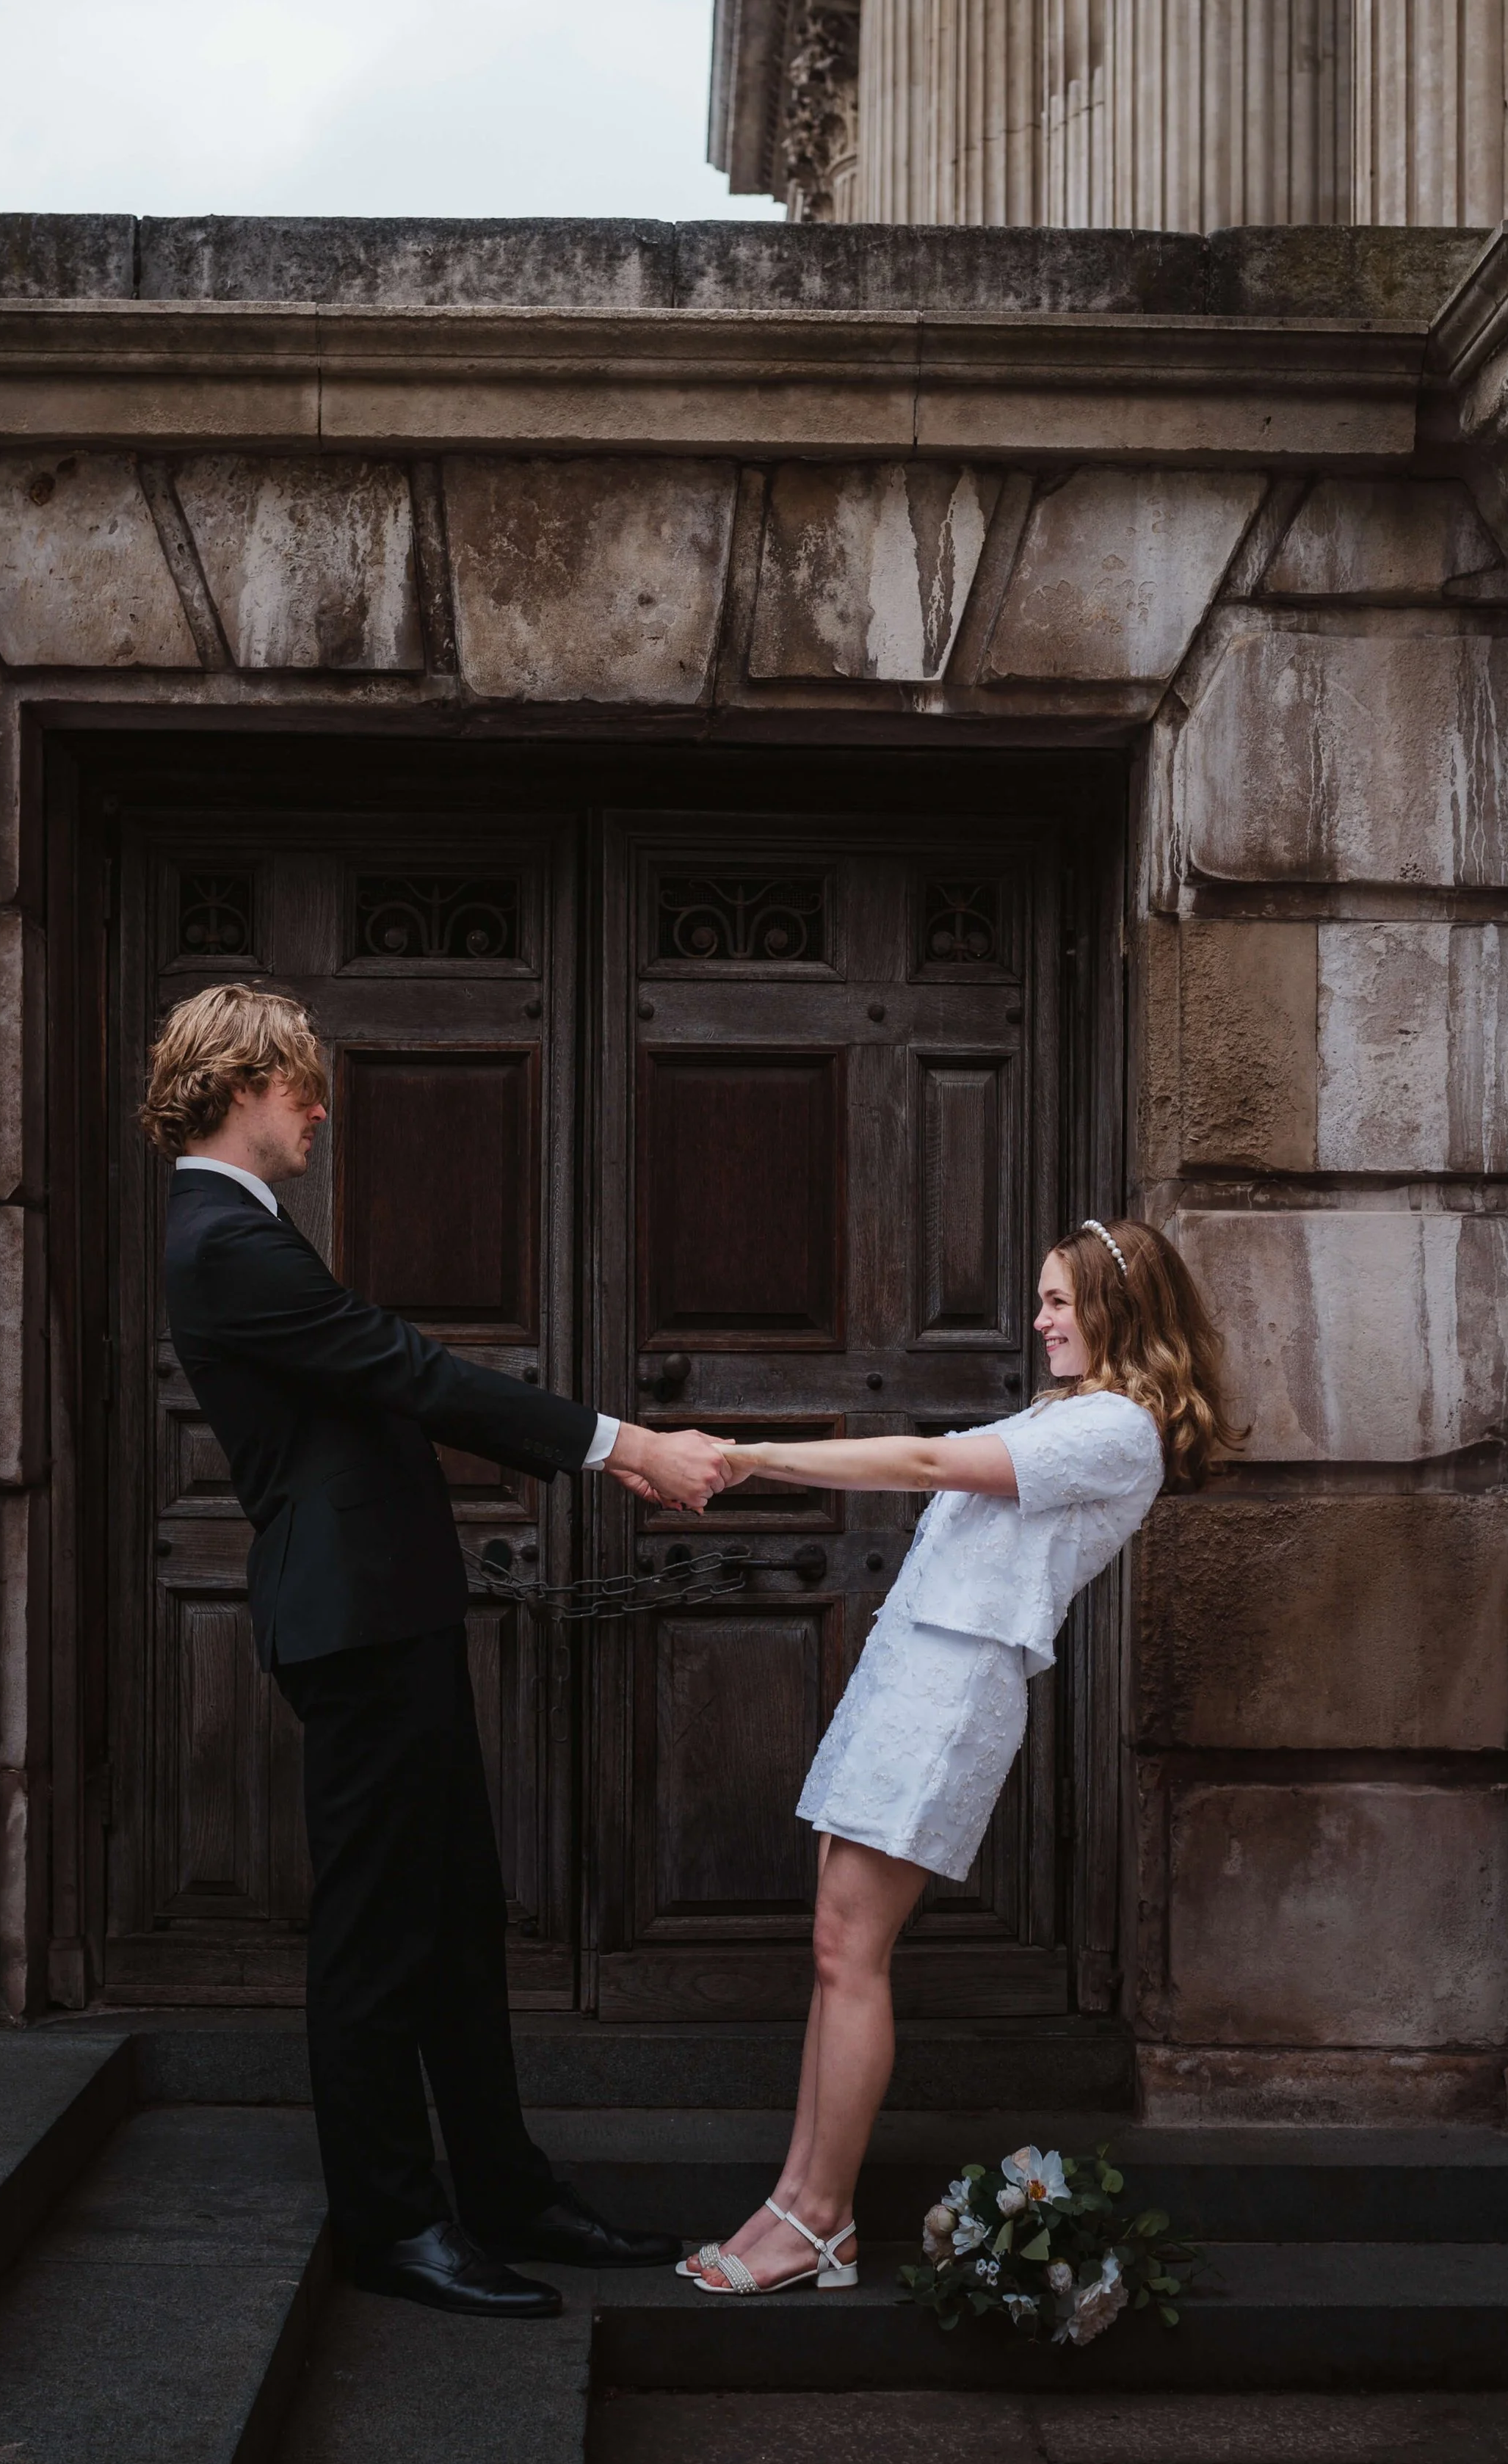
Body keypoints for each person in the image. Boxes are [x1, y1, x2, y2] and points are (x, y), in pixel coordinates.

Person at [143, 985, 731, 2319]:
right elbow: (402, 1368)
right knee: (377, 1936)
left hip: (385, 1610)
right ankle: (394, 2222)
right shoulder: (221, 1237)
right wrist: (622, 1445)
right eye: (303, 1086)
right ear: (244, 1085)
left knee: (455, 1919)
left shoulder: (244, 1227)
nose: (319, 1110)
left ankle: (504, 2188)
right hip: (351, 1624)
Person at [681, 1216, 1242, 2297]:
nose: (1039, 1320)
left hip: (951, 1695)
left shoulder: (1117, 1428)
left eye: (1058, 1302)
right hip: (911, 1676)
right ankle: (793, 2198)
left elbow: (932, 1459)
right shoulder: (1067, 1412)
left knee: (854, 1951)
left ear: (1118, 1311)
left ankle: (822, 2217)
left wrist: (753, 1454)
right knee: (836, 1943)